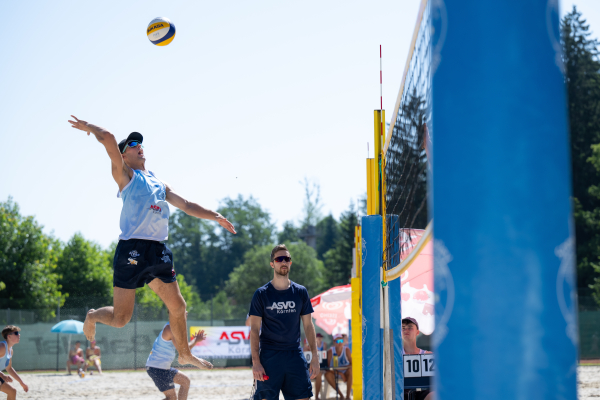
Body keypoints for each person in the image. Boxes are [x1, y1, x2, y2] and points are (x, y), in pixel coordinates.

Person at [68, 116, 235, 369]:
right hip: (131, 249)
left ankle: (185, 354)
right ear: (124, 156)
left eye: (140, 143)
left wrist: (215, 216)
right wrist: (89, 127)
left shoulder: (158, 182)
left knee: (178, 305)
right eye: (133, 144)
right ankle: (92, 315)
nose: (139, 146)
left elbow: (187, 205)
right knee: (121, 318)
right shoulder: (125, 175)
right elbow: (110, 139)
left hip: (158, 250)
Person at [248, 244, 320, 400]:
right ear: (272, 264)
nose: (283, 262)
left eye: (287, 258)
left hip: (294, 354)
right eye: (279, 259)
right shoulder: (261, 294)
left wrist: (315, 357)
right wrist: (256, 362)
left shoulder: (300, 292)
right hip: (269, 356)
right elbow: (254, 329)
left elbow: (308, 326)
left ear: (290, 263)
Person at [146, 317, 211, 400]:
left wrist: (196, 340)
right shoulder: (170, 328)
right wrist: (200, 363)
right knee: (171, 398)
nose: (185, 314)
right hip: (157, 368)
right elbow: (183, 351)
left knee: (185, 381)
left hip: (163, 368)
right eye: (183, 312)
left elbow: (184, 350)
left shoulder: (174, 327)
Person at [401, 317, 433, 400]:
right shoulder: (394, 356)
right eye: (403, 328)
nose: (406, 330)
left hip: (422, 391)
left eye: (410, 327)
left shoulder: (428, 355)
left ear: (417, 332)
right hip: (400, 391)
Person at [0, 326, 28, 400]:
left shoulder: (10, 350)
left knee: (12, 391)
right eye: (16, 333)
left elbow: (9, 369)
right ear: (9, 336)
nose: (19, 335)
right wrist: (2, 375)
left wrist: (21, 383)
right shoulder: (2, 347)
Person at [324, 333, 352, 400]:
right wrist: (340, 374)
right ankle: (341, 395)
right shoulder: (330, 351)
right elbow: (327, 368)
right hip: (335, 372)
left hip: (345, 372)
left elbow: (352, 364)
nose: (340, 343)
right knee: (327, 375)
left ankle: (348, 396)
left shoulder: (347, 350)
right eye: (337, 341)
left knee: (351, 371)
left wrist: (346, 369)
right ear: (334, 342)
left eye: (341, 341)